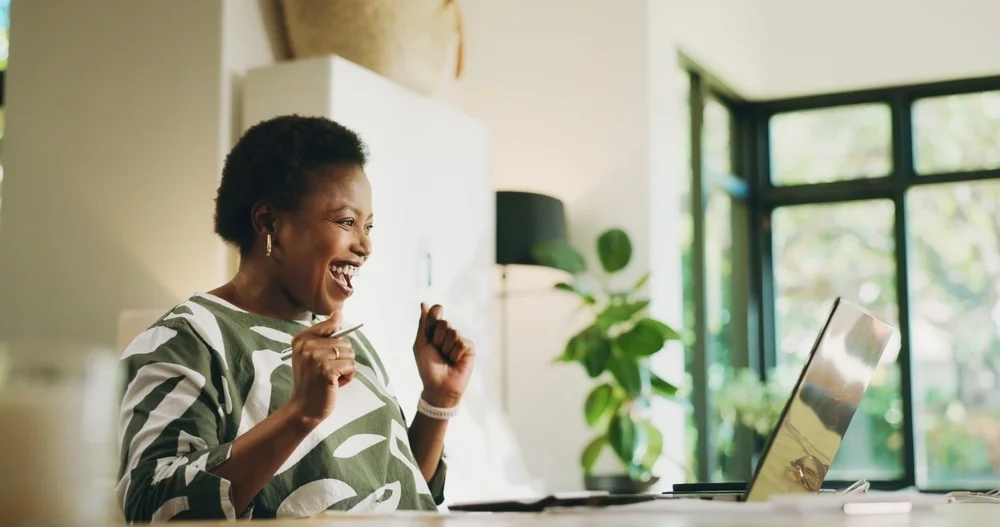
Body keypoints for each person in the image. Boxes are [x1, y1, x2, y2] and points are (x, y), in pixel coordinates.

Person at [116, 115, 475, 521]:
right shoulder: (188, 339)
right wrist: (300, 413)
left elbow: (402, 493)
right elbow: (151, 508)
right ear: (268, 222)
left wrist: (438, 402)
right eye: (346, 222)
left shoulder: (349, 342)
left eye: (369, 226)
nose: (365, 245)